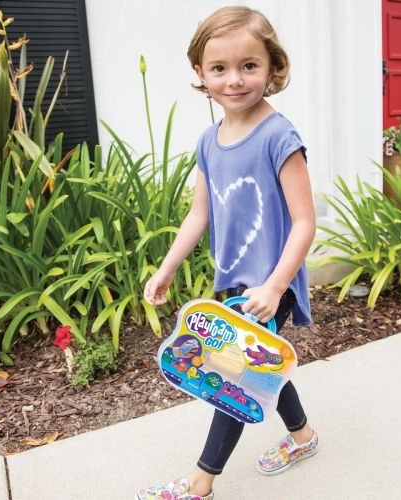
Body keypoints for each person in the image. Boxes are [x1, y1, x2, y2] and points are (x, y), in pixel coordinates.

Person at [137, 5, 318, 500]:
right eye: (219, 68)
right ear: (201, 73)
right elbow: (199, 214)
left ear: (273, 67)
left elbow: (305, 222)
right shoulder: (209, 141)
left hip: (270, 283)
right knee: (262, 366)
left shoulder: (279, 137)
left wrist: (276, 286)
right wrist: (167, 268)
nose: (234, 79)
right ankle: (303, 436)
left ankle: (201, 483)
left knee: (232, 375)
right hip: (235, 282)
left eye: (249, 65)